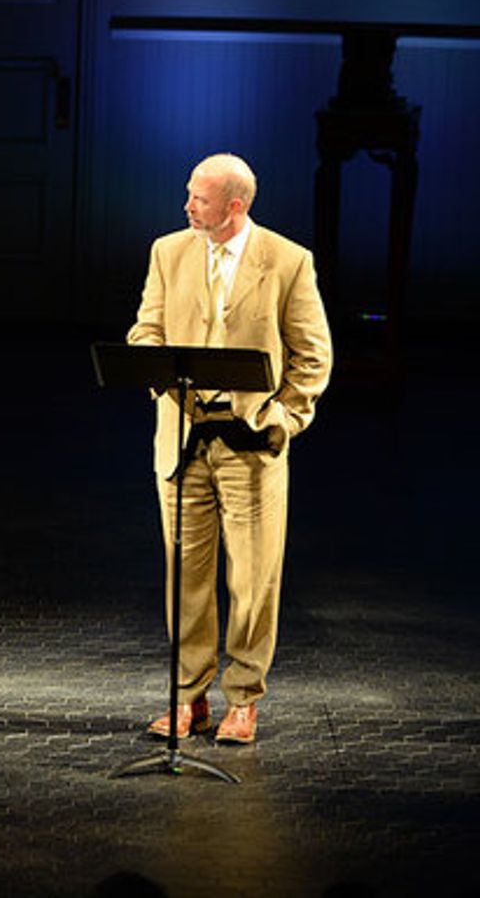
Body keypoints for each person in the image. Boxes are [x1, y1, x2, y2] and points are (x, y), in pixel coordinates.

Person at [127, 153, 332, 744]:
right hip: (184, 438)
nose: (187, 206)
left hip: (250, 443)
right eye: (190, 194)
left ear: (234, 206)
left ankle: (243, 699)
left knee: (254, 577)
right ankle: (189, 698)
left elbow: (313, 355)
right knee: (185, 576)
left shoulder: (288, 262)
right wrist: (158, 370)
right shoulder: (169, 252)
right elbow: (146, 329)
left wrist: (282, 418)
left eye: (200, 198)